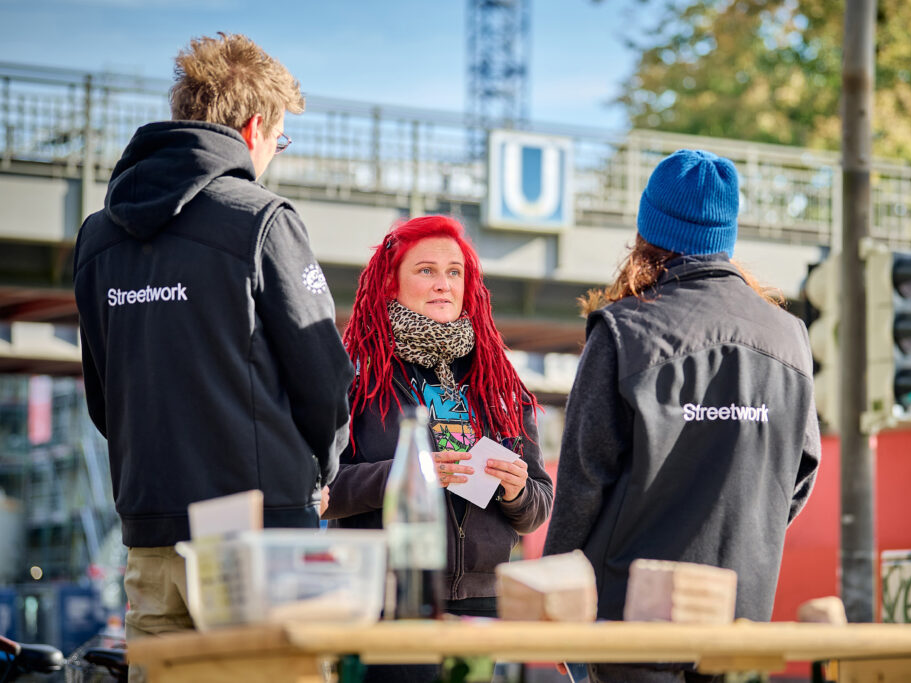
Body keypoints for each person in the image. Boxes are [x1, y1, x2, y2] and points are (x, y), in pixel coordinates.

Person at [72, 33, 354, 677]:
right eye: (280, 141)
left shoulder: (97, 237)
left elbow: (104, 398)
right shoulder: (260, 220)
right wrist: (318, 475)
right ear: (256, 127)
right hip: (258, 540)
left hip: (150, 534)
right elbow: (324, 376)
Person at [543, 149, 821, 683]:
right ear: (726, 235)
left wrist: (560, 606)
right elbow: (799, 475)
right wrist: (741, 532)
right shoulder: (790, 339)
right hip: (741, 618)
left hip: (631, 623)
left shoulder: (626, 331)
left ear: (650, 230)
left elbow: (583, 480)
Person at [324, 214, 553, 682]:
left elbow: (538, 507)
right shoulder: (354, 379)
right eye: (425, 270)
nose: (443, 284)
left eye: (454, 273)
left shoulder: (498, 382)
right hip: (385, 598)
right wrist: (411, 474)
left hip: (481, 605)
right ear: (391, 283)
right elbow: (323, 489)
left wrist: (516, 491)